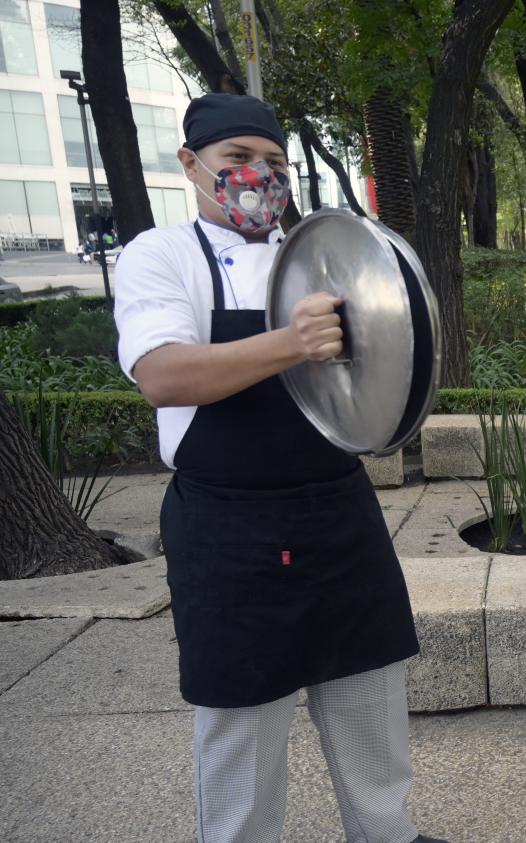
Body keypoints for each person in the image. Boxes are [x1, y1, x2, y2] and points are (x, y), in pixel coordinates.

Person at [112, 93, 445, 843]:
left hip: (336, 507)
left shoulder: (319, 255)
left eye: (271, 162)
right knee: (243, 716)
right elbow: (164, 376)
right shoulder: (160, 256)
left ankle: (386, 834)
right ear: (192, 166)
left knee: (370, 696)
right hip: (229, 522)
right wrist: (292, 341)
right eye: (237, 160)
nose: (257, 176)